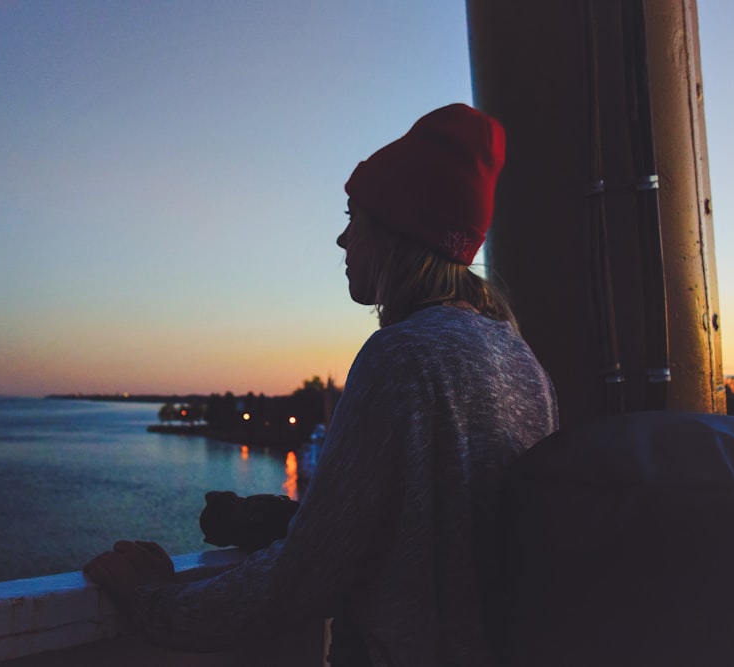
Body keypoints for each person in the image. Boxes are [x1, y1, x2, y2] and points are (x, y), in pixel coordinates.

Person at [83, 103, 559, 666]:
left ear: (395, 230)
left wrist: (153, 599)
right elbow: (447, 528)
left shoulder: (402, 355)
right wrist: (291, 520)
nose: (341, 238)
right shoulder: (519, 357)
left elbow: (302, 580)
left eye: (353, 215)